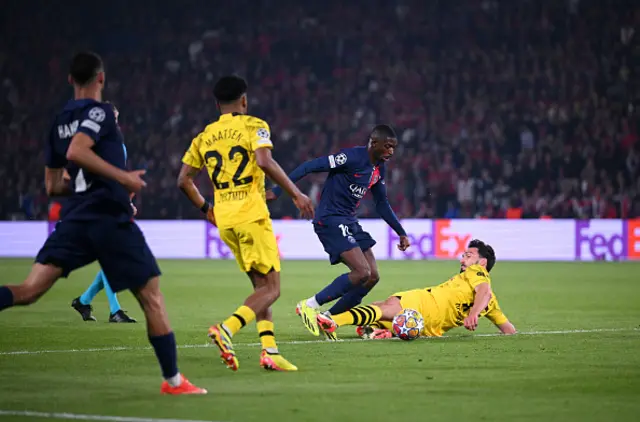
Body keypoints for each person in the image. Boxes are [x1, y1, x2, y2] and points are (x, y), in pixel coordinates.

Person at [0, 52, 206, 395]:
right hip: (108, 218)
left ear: (69, 80)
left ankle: (173, 380)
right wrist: (122, 179)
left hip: (76, 217)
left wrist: (100, 184)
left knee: (28, 291)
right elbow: (78, 152)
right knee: (152, 298)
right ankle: (173, 382)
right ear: (101, 78)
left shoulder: (57, 123)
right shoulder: (103, 112)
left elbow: (53, 186)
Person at [178, 75, 314, 372]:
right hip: (251, 214)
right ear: (244, 100)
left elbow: (183, 180)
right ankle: (226, 329)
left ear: (217, 105)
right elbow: (264, 161)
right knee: (273, 288)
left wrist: (206, 208)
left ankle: (269, 351)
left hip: (225, 219)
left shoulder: (203, 137)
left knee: (260, 287)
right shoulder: (254, 125)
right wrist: (296, 193)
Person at [267, 125, 410, 340]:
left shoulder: (379, 168)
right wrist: (279, 190)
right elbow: (309, 166)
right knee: (361, 272)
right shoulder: (350, 157)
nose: (391, 151)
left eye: (394, 147)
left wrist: (400, 231)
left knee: (372, 277)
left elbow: (381, 202)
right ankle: (308, 305)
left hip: (349, 220)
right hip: (330, 218)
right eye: (387, 146)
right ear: (374, 142)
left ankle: (328, 318)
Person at [316, 239, 517, 339]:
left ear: (481, 262)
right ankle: (381, 331)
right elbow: (508, 330)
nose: (462, 259)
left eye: (468, 255)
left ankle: (333, 321)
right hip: (428, 328)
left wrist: (473, 314)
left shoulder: (477, 273)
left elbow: (484, 291)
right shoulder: (491, 305)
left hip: (424, 303)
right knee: (379, 309)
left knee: (387, 307)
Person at [69, 104, 135, 323]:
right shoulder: (88, 148)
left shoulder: (117, 148)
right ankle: (114, 311)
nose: (114, 124)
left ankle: (84, 301)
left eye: (116, 119)